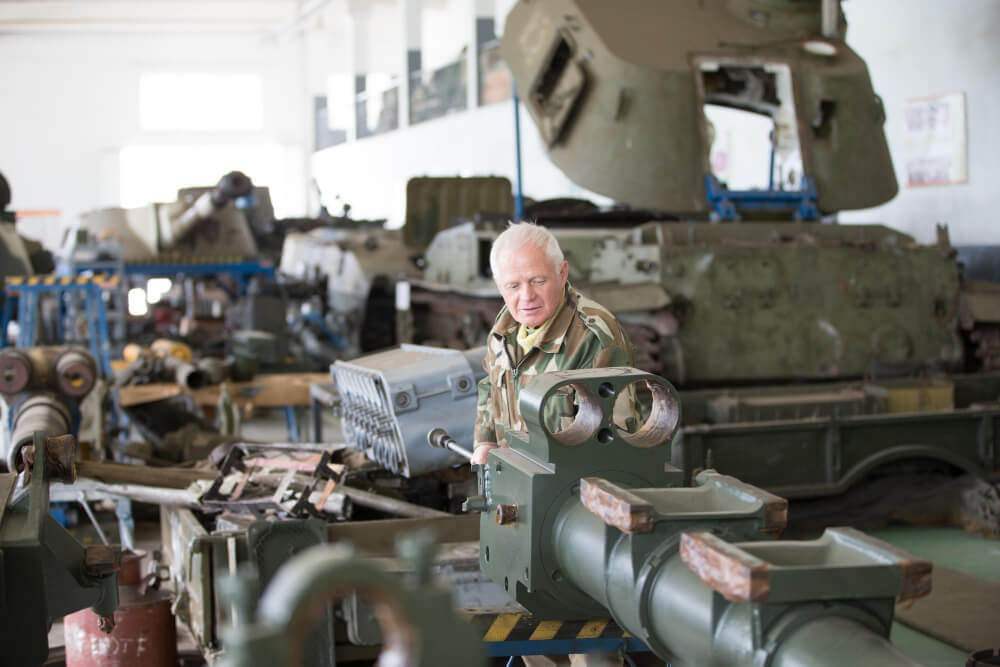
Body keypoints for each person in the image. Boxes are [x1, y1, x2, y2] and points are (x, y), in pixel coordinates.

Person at [472, 220, 635, 462]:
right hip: (514, 477)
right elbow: (490, 387)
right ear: (499, 286)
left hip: (568, 486)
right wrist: (485, 442)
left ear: (562, 273)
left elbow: (614, 444)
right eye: (513, 285)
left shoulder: (594, 338)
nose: (526, 296)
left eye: (538, 281)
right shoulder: (504, 329)